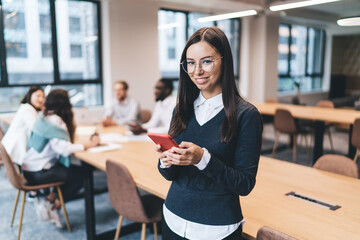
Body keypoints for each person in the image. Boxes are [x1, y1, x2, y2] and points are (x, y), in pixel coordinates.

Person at [157, 27, 263, 240]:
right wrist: (165, 160)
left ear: (225, 61)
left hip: (216, 229)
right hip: (173, 218)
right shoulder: (181, 109)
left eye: (206, 61)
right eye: (190, 63)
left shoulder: (246, 115)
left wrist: (202, 159)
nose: (197, 71)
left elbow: (244, 184)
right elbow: (171, 176)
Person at [22, 89, 100, 227]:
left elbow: (59, 145)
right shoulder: (56, 121)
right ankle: (54, 202)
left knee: (72, 170)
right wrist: (88, 145)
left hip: (29, 168)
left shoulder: (44, 116)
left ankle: (52, 197)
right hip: (38, 172)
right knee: (83, 176)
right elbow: (63, 149)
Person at [2, 86, 45, 165]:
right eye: (38, 96)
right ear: (30, 95)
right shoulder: (26, 109)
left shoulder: (30, 109)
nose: (41, 99)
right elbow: (36, 129)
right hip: (16, 149)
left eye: (43, 97)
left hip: (13, 147)